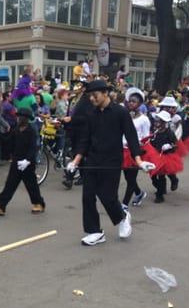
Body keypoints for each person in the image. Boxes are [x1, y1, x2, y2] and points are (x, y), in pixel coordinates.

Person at [66, 80, 155, 246]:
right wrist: (75, 161)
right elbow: (84, 139)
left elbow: (131, 136)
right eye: (89, 96)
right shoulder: (90, 113)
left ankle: (122, 217)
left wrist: (139, 161)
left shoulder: (120, 112)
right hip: (92, 160)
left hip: (112, 161)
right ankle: (95, 232)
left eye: (95, 95)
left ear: (105, 93)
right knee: (87, 197)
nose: (92, 99)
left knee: (107, 197)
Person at [0, 107, 46, 216]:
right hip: (16, 161)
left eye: (20, 117)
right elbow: (8, 140)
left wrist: (27, 160)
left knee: (31, 185)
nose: (18, 118)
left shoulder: (31, 131)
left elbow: (33, 148)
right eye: (18, 116)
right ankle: (0, 205)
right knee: (10, 184)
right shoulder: (16, 129)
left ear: (25, 119)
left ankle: (38, 203)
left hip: (27, 163)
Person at [121, 88, 154, 210]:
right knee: (127, 177)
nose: (131, 103)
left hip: (135, 151)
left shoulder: (144, 119)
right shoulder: (124, 115)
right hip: (123, 150)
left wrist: (138, 145)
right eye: (129, 101)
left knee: (131, 179)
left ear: (140, 104)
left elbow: (146, 136)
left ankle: (124, 204)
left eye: (134, 101)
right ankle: (139, 193)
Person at [150, 111, 182, 203]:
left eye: (159, 122)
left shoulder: (170, 133)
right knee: (154, 176)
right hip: (156, 155)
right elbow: (151, 143)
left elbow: (176, 145)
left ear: (164, 123)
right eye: (156, 121)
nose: (156, 123)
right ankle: (161, 189)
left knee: (166, 173)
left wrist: (169, 146)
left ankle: (162, 193)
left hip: (167, 156)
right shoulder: (154, 132)